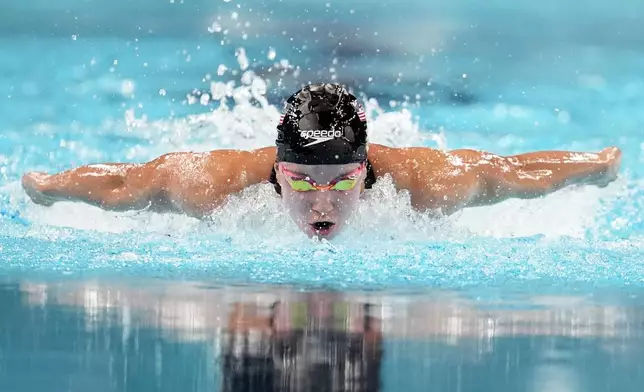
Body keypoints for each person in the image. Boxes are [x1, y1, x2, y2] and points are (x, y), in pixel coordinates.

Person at [21, 83, 622, 238]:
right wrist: (49, 188)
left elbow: (514, 172)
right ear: (277, 172)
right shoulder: (212, 185)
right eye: (302, 180)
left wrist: (597, 163)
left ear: (367, 169)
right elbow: (126, 182)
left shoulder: (430, 185)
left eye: (343, 181)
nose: (323, 201)